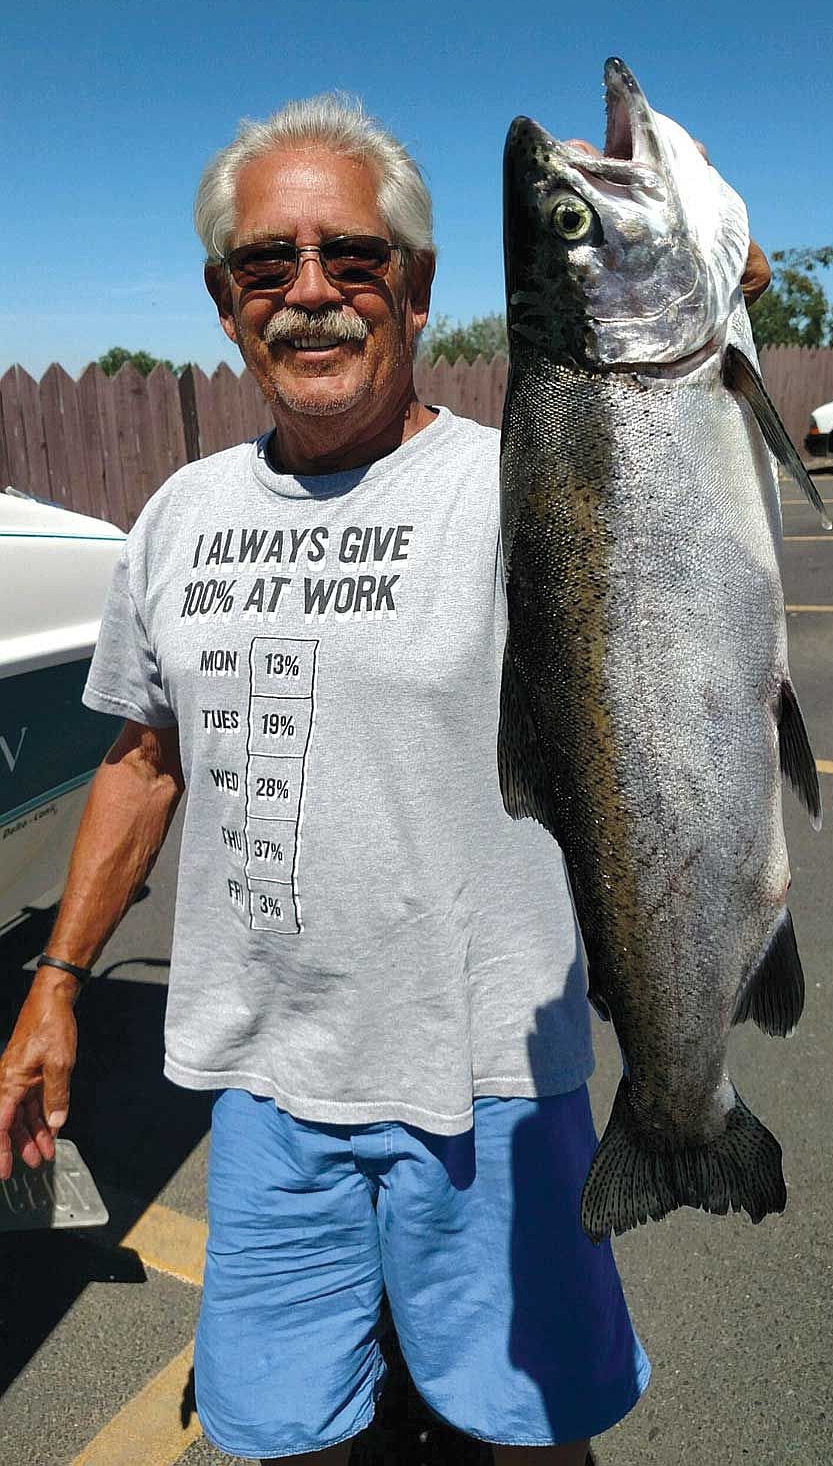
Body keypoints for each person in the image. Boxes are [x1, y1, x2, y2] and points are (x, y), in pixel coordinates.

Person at [0, 95, 769, 1466]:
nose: (312, 293)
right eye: (267, 264)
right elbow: (141, 760)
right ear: (223, 302)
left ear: (416, 285)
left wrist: (700, 293)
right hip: (261, 1085)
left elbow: (671, 528)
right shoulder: (178, 515)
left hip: (491, 1087)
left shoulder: (528, 479)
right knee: (279, 1431)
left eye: (355, 258)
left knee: (525, 1434)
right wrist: (56, 982)